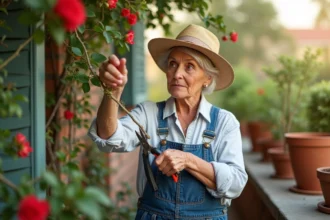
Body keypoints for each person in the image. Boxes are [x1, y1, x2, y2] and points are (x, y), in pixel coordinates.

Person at [88, 24, 248, 220]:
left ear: (207, 77)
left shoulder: (224, 122)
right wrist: (112, 92)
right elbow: (108, 137)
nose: (177, 73)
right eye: (173, 63)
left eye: (189, 66)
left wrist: (188, 160)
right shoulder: (148, 113)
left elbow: (236, 183)